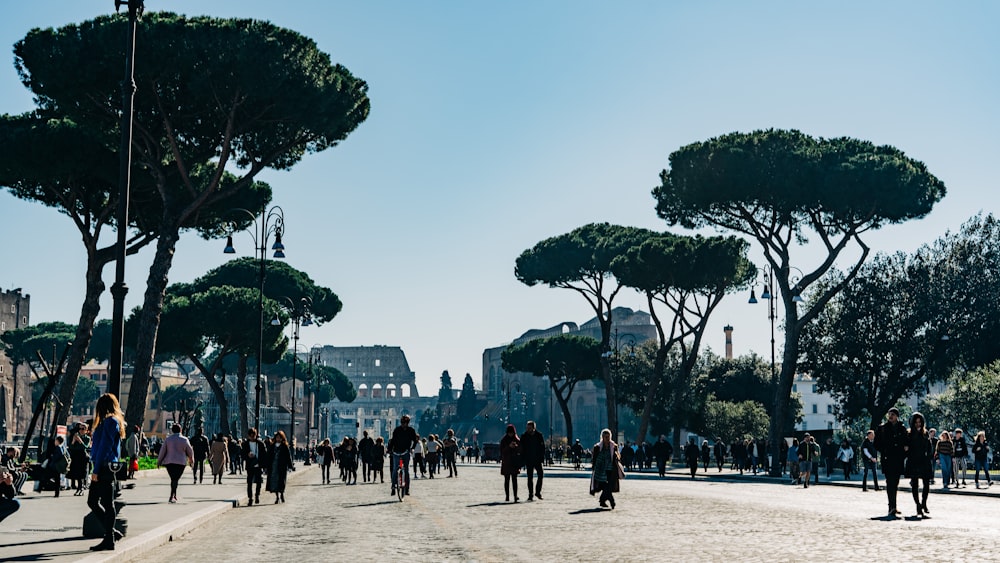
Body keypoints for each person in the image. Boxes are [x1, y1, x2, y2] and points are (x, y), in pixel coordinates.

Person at [88, 393, 125, 551]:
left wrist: (95, 470)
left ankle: (109, 538)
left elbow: (104, 446)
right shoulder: (111, 421)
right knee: (95, 501)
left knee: (105, 503)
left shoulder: (110, 421)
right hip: (104, 466)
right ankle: (111, 533)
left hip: (103, 467)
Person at [876, 407, 908, 518]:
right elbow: (877, 443)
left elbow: (906, 443)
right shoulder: (883, 428)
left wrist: (904, 452)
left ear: (897, 416)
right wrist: (884, 451)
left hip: (898, 459)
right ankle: (891, 507)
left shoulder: (902, 428)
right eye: (889, 414)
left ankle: (894, 506)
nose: (891, 416)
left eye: (893, 414)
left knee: (896, 483)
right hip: (888, 459)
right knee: (890, 483)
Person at [905, 412, 933, 518]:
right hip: (913, 460)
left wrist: (929, 456)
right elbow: (906, 447)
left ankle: (924, 502)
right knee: (915, 484)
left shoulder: (925, 433)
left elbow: (929, 447)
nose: (918, 424)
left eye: (919, 422)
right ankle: (918, 505)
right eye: (916, 422)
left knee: (926, 484)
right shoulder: (909, 434)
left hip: (924, 461)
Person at [157, 423, 194, 504]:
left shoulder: (168, 439)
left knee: (173, 479)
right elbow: (190, 451)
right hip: (181, 463)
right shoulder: (184, 439)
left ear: (172, 430)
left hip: (169, 463)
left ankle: (173, 495)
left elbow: (162, 451)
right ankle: (173, 495)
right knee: (175, 479)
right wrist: (191, 461)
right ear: (180, 430)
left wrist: (159, 461)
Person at [589, 428, 620, 509]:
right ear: (602, 437)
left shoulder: (613, 446)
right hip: (600, 470)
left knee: (608, 486)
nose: (607, 439)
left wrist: (616, 458)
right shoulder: (598, 447)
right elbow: (594, 458)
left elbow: (617, 457)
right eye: (606, 437)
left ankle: (603, 500)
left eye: (608, 437)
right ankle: (611, 502)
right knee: (604, 486)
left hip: (610, 470)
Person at [387, 414, 418, 497]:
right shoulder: (397, 430)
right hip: (396, 451)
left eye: (406, 422)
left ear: (408, 423)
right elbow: (392, 441)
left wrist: (412, 448)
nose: (404, 424)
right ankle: (393, 486)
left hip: (406, 451)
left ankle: (407, 488)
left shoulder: (411, 430)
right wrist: (389, 449)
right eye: (403, 422)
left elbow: (415, 441)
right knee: (395, 469)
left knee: (406, 470)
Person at [266, 431, 294, 503]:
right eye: (277, 437)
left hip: (281, 466)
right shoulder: (272, 446)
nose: (278, 439)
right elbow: (268, 456)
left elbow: (288, 457)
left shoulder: (284, 446)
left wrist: (291, 466)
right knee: (274, 481)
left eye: (280, 437)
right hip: (273, 466)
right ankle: (277, 496)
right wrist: (266, 466)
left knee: (281, 481)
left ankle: (281, 494)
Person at [242, 428, 268, 505]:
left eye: (254, 436)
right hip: (250, 465)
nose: (252, 437)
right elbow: (242, 454)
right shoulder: (245, 444)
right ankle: (250, 498)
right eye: (251, 436)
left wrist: (264, 465)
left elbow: (264, 455)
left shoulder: (260, 444)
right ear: (248, 436)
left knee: (258, 482)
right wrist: (247, 455)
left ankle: (257, 495)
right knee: (249, 482)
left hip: (259, 464)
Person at [520, 421, 545, 500]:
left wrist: (542, 457)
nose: (528, 429)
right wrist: (523, 459)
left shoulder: (539, 435)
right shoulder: (524, 436)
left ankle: (538, 492)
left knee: (540, 475)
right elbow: (522, 448)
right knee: (530, 477)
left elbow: (542, 447)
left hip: (537, 459)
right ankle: (530, 494)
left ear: (533, 428)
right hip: (529, 459)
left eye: (529, 428)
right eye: (527, 428)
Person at [499, 424, 521, 502]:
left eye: (512, 433)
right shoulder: (504, 440)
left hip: (514, 462)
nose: (511, 434)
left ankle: (515, 495)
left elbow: (521, 450)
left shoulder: (517, 439)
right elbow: (502, 451)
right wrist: (509, 447)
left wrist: (516, 447)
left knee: (514, 480)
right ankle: (507, 496)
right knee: (507, 480)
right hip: (507, 462)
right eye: (509, 433)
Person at [68, 427, 91, 496]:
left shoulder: (87, 438)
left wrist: (80, 441)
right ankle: (78, 488)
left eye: (83, 429)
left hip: (82, 456)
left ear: (86, 431)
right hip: (75, 456)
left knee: (82, 473)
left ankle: (81, 488)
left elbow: (85, 447)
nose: (81, 430)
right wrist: (74, 440)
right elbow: (71, 447)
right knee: (76, 472)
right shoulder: (75, 437)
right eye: (80, 428)